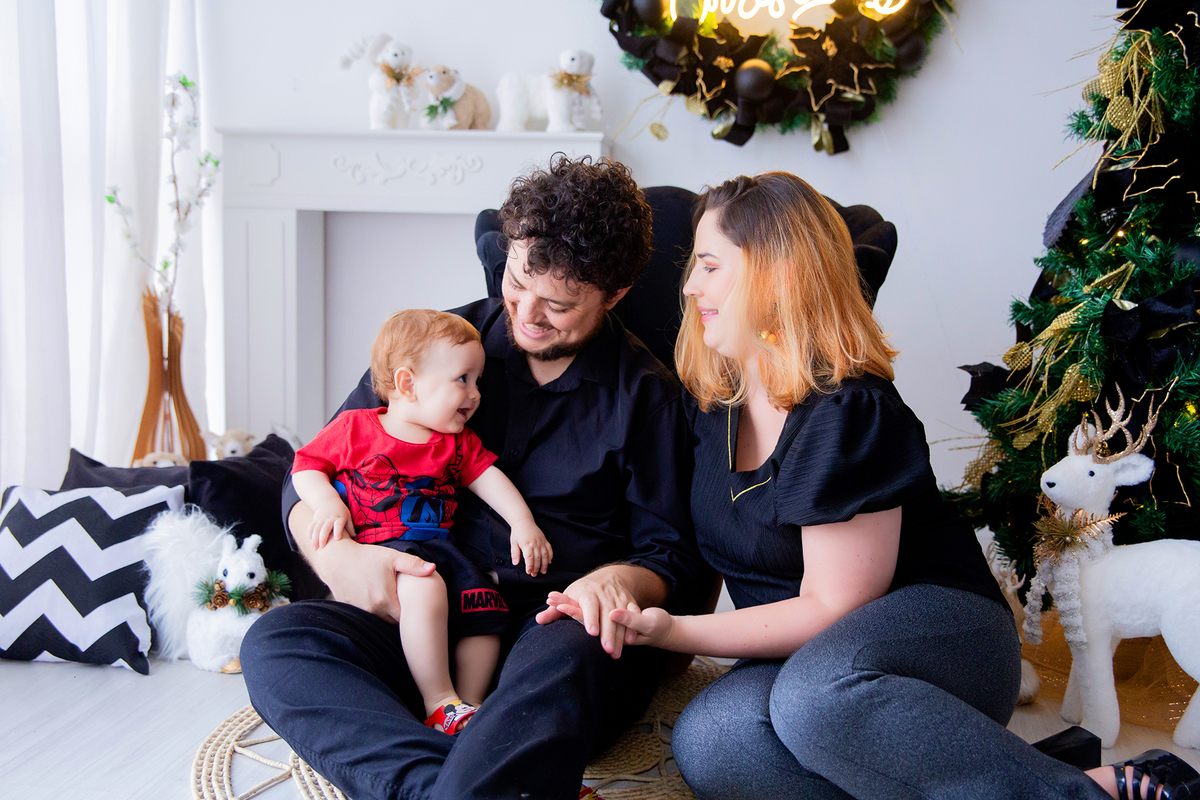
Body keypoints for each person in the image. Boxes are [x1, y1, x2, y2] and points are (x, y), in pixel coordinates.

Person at [548, 172, 1200, 800]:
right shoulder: (713, 406)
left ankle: (1073, 793)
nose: (691, 285)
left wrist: (675, 631)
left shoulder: (847, 410)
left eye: (711, 266)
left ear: (779, 274)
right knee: (715, 743)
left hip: (934, 637)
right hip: (803, 659)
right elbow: (693, 549)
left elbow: (831, 607)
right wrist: (618, 587)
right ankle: (993, 774)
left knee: (814, 699)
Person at [240, 155, 710, 800]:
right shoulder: (438, 348)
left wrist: (617, 580)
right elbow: (313, 469)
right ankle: (456, 782)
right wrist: (336, 557)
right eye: (517, 282)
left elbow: (672, 555)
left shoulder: (646, 396)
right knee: (278, 642)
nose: (528, 314)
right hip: (416, 614)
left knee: (575, 654)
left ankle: (452, 776)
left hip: (549, 626)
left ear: (615, 294)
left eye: (559, 304)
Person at [291, 309, 553, 734]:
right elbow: (304, 467)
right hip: (382, 552)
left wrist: (523, 523)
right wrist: (327, 505)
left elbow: (489, 479)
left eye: (478, 381)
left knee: (486, 609)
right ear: (407, 384)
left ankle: (467, 707)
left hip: (440, 551)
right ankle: (439, 700)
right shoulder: (356, 428)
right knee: (424, 587)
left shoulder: (456, 443)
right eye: (462, 379)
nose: (475, 394)